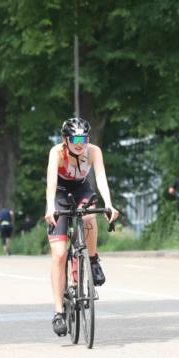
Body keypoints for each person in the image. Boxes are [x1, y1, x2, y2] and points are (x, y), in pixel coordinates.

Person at [44, 117, 120, 337]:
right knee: (58, 255)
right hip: (59, 193)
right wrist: (50, 207)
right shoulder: (56, 152)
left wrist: (109, 203)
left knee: (88, 218)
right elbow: (51, 182)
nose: (80, 143)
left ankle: (93, 259)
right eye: (75, 139)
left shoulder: (93, 151)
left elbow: (101, 177)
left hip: (82, 191)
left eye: (84, 138)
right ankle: (58, 312)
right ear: (66, 140)